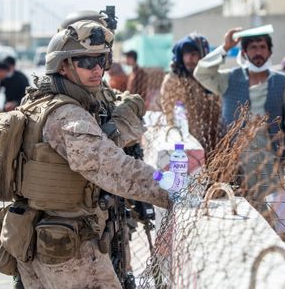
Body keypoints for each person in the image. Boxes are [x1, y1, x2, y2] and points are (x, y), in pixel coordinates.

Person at [14, 19, 169, 288]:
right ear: (63, 66)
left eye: (102, 60)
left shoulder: (38, 100)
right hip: (70, 251)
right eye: (86, 62)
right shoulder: (67, 115)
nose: (97, 69)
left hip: (39, 237)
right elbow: (114, 169)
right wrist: (173, 186)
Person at [194, 27, 285, 216]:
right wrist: (225, 48)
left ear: (269, 52)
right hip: (234, 159)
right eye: (253, 48)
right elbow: (201, 73)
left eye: (262, 47)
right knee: (238, 209)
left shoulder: (281, 82)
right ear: (244, 52)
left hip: (269, 158)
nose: (258, 52)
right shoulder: (229, 79)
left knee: (269, 213)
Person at [160, 34, 221, 155]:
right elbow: (169, 111)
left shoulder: (210, 79)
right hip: (184, 142)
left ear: (202, 56)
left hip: (210, 139)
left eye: (194, 54)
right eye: (186, 54)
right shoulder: (174, 80)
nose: (189, 58)